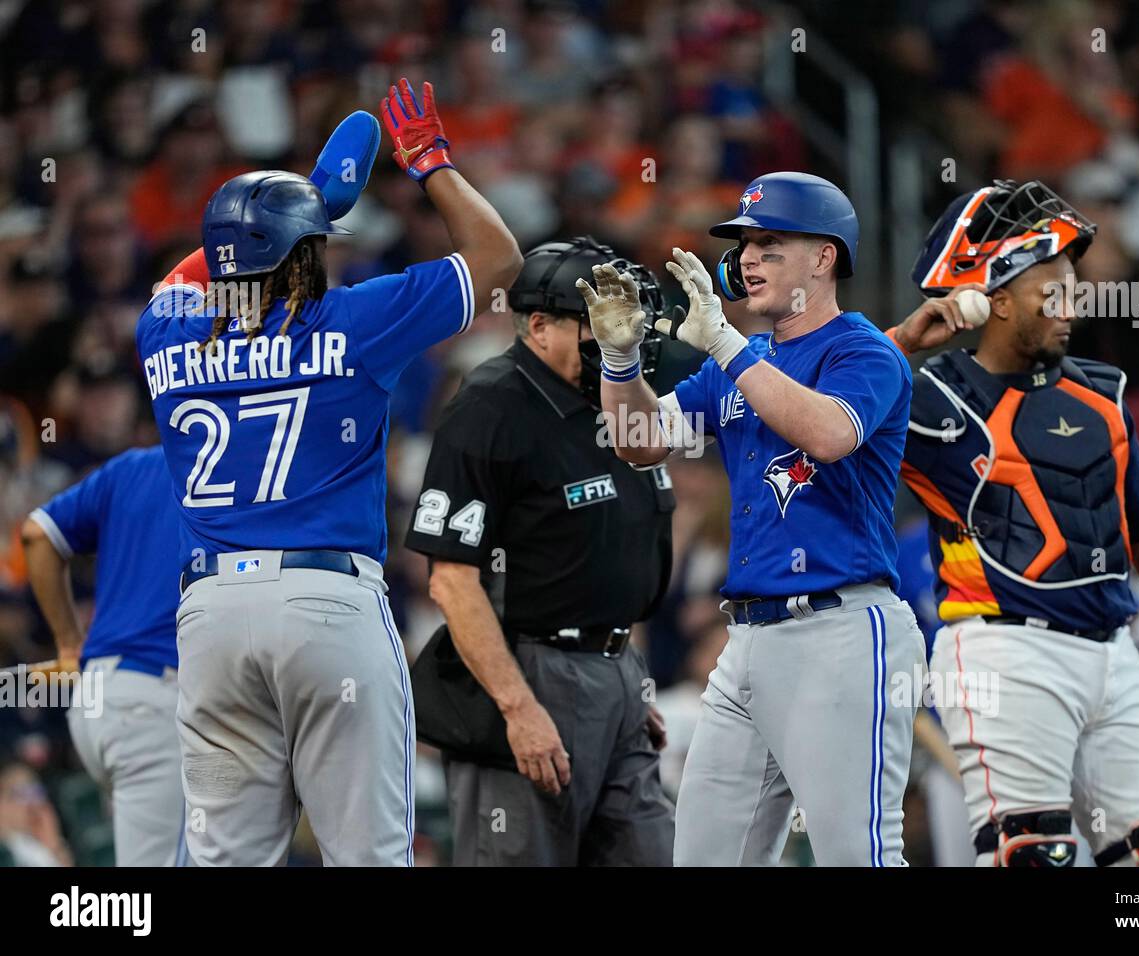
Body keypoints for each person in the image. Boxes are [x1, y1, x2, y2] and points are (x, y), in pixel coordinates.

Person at [134, 77, 522, 866]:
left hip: (209, 616)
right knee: (370, 854)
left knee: (227, 860)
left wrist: (301, 203)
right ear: (307, 252)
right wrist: (429, 160)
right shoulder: (353, 317)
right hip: (324, 603)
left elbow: (192, 276)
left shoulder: (162, 332)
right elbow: (498, 256)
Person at [888, 178, 1139, 866]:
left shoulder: (1102, 394)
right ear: (996, 299)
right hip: (1002, 654)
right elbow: (815, 424)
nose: (1071, 304)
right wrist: (900, 341)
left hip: (1115, 655)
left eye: (1074, 287)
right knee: (1034, 858)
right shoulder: (932, 398)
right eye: (1052, 291)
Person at [582, 171, 926, 866]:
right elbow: (640, 439)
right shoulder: (741, 361)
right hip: (747, 641)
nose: (747, 259)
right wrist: (620, 362)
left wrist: (726, 348)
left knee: (856, 854)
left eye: (770, 243)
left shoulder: (864, 349)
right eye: (744, 245)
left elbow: (829, 434)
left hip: (842, 629)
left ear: (824, 257)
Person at [405, 236, 678, 866]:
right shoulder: (490, 406)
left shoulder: (618, 398)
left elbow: (605, 555)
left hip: (616, 668)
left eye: (629, 318)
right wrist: (517, 707)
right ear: (538, 324)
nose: (621, 334)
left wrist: (624, 678)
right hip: (529, 671)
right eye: (600, 320)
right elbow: (451, 580)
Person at [21, 445, 186, 865]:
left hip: (99, 696)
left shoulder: (132, 466)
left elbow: (38, 533)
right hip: (154, 702)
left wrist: (67, 644)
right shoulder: (242, 462)